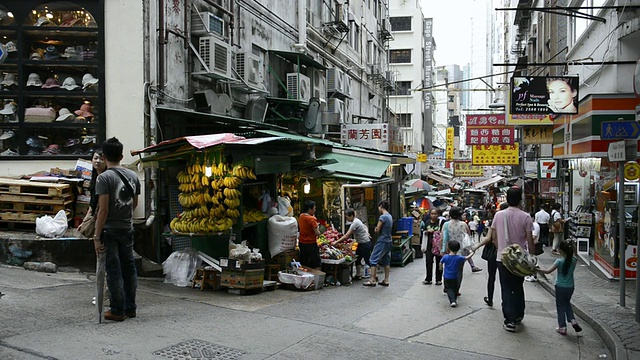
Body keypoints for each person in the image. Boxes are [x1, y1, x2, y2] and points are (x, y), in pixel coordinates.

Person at [93, 137, 140, 322]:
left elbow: (103, 210)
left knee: (114, 270)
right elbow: (134, 203)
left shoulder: (104, 178)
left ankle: (117, 310)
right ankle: (131, 308)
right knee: (129, 268)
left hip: (110, 230)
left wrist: (96, 236)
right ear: (121, 155)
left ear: (103, 157)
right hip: (127, 228)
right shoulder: (133, 176)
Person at [490, 187, 536, 332]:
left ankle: (509, 319)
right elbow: (530, 240)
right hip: (519, 260)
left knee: (506, 288)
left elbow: (494, 238)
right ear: (520, 200)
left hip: (502, 258)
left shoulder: (498, 215)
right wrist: (532, 258)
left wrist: (502, 250)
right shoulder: (526, 217)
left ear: (507, 199)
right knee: (518, 287)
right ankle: (518, 315)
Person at [537, 240, 583, 335]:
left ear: (561, 251)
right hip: (570, 286)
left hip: (560, 286)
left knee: (560, 306)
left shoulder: (559, 261)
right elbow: (574, 252)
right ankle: (572, 320)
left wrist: (537, 269)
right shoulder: (574, 260)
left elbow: (548, 271)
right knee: (567, 303)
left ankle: (562, 326)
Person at [472, 202, 508, 307]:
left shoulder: (496, 220)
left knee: (491, 277)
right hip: (508, 252)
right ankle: (505, 301)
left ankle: (490, 298)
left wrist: (477, 246)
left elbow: (488, 238)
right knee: (505, 279)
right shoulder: (513, 220)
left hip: (494, 252)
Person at [334, 208, 371, 280]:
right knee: (357, 259)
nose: (347, 219)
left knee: (368, 260)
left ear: (351, 216)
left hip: (365, 243)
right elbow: (364, 227)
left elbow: (347, 235)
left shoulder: (355, 223)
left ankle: (374, 276)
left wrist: (336, 242)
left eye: (347, 217)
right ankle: (358, 274)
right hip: (360, 243)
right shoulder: (356, 221)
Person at [363, 200, 392, 287]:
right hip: (389, 240)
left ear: (381, 207)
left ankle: (372, 280)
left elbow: (377, 230)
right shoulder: (390, 216)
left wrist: (375, 228)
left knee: (373, 259)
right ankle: (386, 280)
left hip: (382, 240)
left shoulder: (382, 217)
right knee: (386, 260)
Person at [440, 240, 475, 307]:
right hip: (455, 277)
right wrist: (472, 252)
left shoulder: (445, 257)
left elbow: (441, 262)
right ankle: (454, 299)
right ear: (458, 249)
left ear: (449, 248)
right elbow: (467, 257)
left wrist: (441, 267)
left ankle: (452, 301)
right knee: (454, 288)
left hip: (446, 277)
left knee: (449, 289)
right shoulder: (459, 258)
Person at [79, 149, 106, 235]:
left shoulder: (106, 178)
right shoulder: (94, 178)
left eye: (101, 159)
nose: (98, 161)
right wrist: (84, 222)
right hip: (95, 217)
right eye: (96, 158)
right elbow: (92, 204)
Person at [421, 209, 444, 285]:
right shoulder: (427, 222)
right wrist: (427, 231)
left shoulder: (441, 223)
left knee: (439, 262)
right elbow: (423, 231)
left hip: (438, 246)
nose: (433, 215)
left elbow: (444, 233)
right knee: (428, 262)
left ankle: (438, 279)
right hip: (429, 245)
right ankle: (428, 278)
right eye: (432, 214)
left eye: (435, 214)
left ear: (438, 214)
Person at [298, 200, 322, 270]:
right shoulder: (312, 219)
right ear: (309, 209)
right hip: (311, 243)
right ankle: (318, 279)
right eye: (314, 208)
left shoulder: (301, 216)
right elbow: (317, 233)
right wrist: (319, 229)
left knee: (304, 261)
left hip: (302, 243)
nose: (315, 210)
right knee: (316, 262)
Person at [525, 213, 541, 282]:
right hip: (530, 245)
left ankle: (533, 276)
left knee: (533, 260)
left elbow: (533, 236)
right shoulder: (531, 225)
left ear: (533, 218)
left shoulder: (535, 225)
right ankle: (531, 275)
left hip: (533, 245)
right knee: (530, 260)